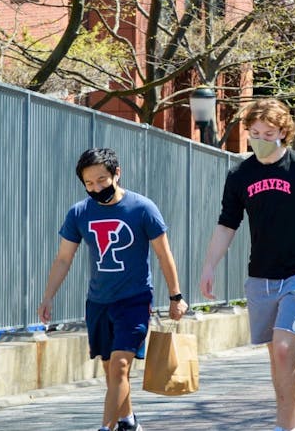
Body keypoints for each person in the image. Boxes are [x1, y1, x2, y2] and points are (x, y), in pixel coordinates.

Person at [199, 99, 295, 431]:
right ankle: (293, 423)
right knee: (276, 357)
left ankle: (286, 426)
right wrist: (209, 266)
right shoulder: (240, 174)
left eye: (268, 132)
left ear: (283, 132)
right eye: (254, 132)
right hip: (260, 276)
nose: (260, 138)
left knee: (282, 349)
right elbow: (226, 225)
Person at [39, 147, 188, 431]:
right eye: (89, 183)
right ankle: (128, 421)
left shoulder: (142, 208)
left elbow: (163, 254)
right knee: (111, 370)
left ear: (117, 173)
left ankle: (106, 428)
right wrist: (48, 297)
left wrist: (175, 296)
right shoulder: (79, 212)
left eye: (102, 180)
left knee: (120, 366)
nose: (96, 188)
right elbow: (63, 258)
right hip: (98, 302)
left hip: (134, 299)